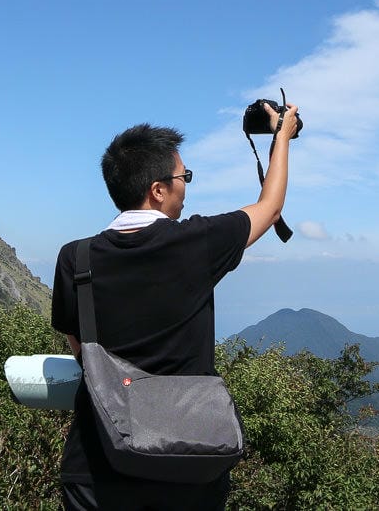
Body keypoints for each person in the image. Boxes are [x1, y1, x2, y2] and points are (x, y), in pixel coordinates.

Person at [51, 101, 300, 511]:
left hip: (95, 469)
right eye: (183, 177)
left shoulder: (74, 259)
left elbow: (80, 349)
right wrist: (282, 137)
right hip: (186, 466)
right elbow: (270, 207)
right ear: (158, 190)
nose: (186, 185)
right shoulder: (197, 242)